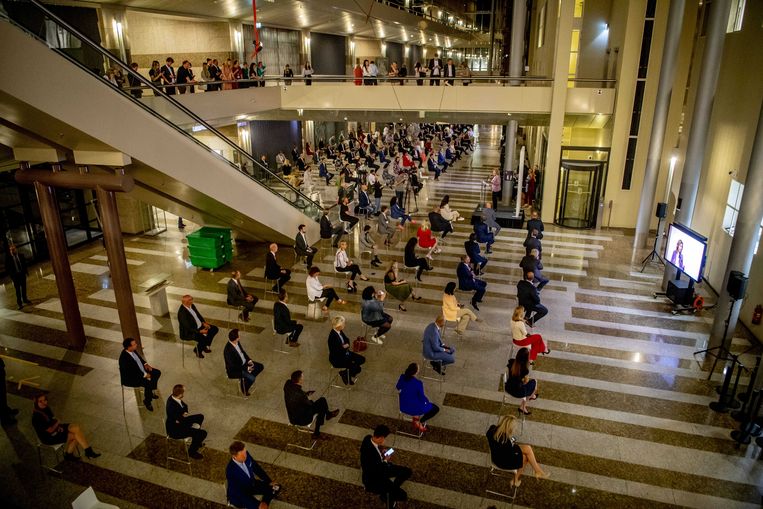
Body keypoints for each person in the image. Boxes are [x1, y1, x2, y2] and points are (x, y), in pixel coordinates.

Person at [32, 394, 100, 460]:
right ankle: (71, 454)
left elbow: (53, 419)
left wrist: (58, 426)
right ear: (36, 403)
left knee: (76, 428)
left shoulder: (46, 408)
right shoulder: (36, 417)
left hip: (56, 428)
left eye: (45, 400)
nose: (44, 402)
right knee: (76, 437)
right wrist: (58, 423)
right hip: (49, 437)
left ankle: (88, 451)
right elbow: (50, 430)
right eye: (40, 401)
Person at [486, 415, 549, 486]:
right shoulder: (506, 442)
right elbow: (511, 450)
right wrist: (511, 441)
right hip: (502, 462)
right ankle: (516, 479)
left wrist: (510, 440)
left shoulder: (492, 429)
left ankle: (537, 471)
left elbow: (506, 444)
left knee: (527, 449)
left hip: (495, 456)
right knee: (525, 458)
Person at [360, 424, 413, 508]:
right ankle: (388, 496)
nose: (384, 440)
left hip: (380, 468)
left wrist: (381, 451)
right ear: (381, 438)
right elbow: (379, 469)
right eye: (384, 438)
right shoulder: (371, 455)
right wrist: (385, 460)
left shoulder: (368, 438)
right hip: (375, 478)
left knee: (407, 471)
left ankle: (391, 490)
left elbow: (374, 453)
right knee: (403, 496)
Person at [284, 370, 339, 439]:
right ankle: (317, 432)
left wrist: (305, 394)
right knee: (322, 402)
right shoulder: (301, 395)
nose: (303, 378)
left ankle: (328, 414)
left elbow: (296, 394)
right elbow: (309, 404)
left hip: (292, 416)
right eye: (302, 377)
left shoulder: (287, 384)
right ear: (300, 380)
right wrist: (308, 397)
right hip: (302, 418)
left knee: (320, 404)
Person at [226, 441, 281, 509]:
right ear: (234, 456)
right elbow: (239, 493)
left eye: (245, 452)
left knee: (277, 486)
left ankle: (265, 503)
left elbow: (256, 468)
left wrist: (269, 481)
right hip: (242, 494)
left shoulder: (246, 455)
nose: (245, 456)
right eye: (242, 455)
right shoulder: (230, 471)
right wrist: (256, 503)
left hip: (252, 484)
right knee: (260, 505)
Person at [119, 337, 161, 411]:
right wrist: (145, 375)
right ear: (129, 347)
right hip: (132, 378)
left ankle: (150, 392)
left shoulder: (132, 350)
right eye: (134, 344)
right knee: (148, 384)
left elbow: (139, 359)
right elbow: (132, 373)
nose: (136, 345)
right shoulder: (124, 359)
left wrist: (145, 364)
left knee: (157, 373)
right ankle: (147, 401)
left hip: (141, 370)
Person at [165, 384, 207, 460]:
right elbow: (179, 421)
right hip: (176, 430)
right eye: (183, 392)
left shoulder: (174, 397)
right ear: (180, 394)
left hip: (180, 422)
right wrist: (184, 419)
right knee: (203, 433)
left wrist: (185, 412)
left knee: (200, 416)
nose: (184, 394)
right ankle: (192, 452)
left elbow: (185, 406)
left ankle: (196, 440)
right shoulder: (171, 406)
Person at [396, 363, 439, 432]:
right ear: (415, 372)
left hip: (403, 406)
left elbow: (398, 387)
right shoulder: (418, 383)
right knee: (435, 409)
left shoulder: (402, 377)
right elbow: (422, 397)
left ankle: (415, 418)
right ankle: (419, 421)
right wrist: (427, 402)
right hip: (415, 407)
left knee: (418, 403)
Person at [224, 329, 264, 396]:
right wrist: (247, 368)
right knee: (252, 378)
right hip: (235, 370)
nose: (240, 336)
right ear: (236, 338)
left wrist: (249, 360)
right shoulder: (227, 351)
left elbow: (243, 352)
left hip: (245, 363)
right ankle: (244, 387)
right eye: (239, 335)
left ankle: (246, 379)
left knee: (260, 366)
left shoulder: (237, 342)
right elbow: (233, 366)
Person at [328, 315, 366, 385]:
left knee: (362, 359)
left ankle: (345, 373)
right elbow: (337, 351)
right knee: (357, 368)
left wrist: (345, 346)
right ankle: (346, 375)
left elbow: (347, 339)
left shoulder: (339, 331)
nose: (345, 325)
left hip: (345, 353)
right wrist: (344, 347)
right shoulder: (332, 337)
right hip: (337, 359)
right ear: (338, 326)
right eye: (343, 324)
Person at [506, 347, 538, 414]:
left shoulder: (511, 362)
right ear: (526, 358)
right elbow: (524, 382)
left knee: (531, 384)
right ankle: (523, 406)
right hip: (517, 392)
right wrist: (528, 364)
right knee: (534, 382)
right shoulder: (524, 370)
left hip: (508, 387)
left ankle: (532, 396)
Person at [6, 244, 31, 310]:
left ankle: (25, 299)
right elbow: (8, 269)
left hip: (22, 275)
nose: (12, 251)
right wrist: (12, 277)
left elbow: (24, 265)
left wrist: (26, 272)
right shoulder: (8, 259)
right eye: (10, 250)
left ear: (16, 249)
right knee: (17, 290)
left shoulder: (21, 256)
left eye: (13, 249)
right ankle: (19, 303)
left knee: (24, 288)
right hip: (15, 277)